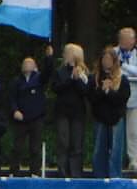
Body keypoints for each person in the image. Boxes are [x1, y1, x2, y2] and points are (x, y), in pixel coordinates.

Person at [91, 46, 131, 180]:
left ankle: (115, 176)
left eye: (109, 59)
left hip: (116, 118)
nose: (106, 62)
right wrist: (103, 90)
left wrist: (110, 92)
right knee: (99, 149)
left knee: (115, 150)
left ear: (114, 62)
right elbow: (92, 98)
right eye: (104, 59)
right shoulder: (95, 78)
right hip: (100, 118)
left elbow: (123, 98)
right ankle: (99, 176)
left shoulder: (122, 79)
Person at [51, 43, 90, 178]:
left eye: (66, 53)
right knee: (63, 141)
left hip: (78, 113)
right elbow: (56, 88)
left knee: (76, 143)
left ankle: (75, 172)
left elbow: (85, 91)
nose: (64, 56)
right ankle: (62, 170)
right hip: (62, 111)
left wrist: (77, 79)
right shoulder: (60, 72)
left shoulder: (84, 72)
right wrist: (70, 79)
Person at [8, 54, 50, 177]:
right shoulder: (16, 81)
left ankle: (34, 172)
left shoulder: (39, 79)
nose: (26, 65)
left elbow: (48, 72)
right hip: (21, 118)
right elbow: (12, 98)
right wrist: (15, 110)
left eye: (29, 63)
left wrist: (48, 57)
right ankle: (13, 171)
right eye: (24, 63)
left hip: (36, 118)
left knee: (35, 147)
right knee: (17, 147)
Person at [119, 27, 137, 172]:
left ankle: (133, 160)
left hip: (134, 98)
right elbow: (111, 70)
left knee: (133, 131)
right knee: (116, 130)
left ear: (133, 40)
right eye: (122, 38)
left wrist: (123, 66)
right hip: (116, 98)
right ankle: (117, 159)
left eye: (127, 38)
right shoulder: (113, 52)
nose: (124, 41)